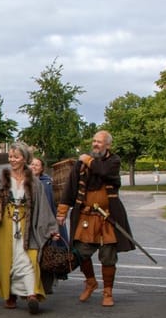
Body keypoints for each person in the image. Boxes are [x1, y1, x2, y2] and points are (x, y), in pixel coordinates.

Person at [0, 143, 59, 314]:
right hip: (4, 227)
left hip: (27, 226)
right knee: (7, 260)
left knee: (31, 258)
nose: (12, 160)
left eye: (16, 156)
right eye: (10, 157)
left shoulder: (34, 182)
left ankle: (32, 294)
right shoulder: (0, 178)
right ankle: (10, 295)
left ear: (25, 159)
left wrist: (52, 228)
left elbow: (44, 207)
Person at [56, 130, 134, 307]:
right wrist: (62, 211)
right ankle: (90, 282)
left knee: (108, 256)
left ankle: (108, 292)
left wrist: (88, 160)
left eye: (99, 142)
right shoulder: (81, 164)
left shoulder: (113, 161)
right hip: (86, 216)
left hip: (108, 217)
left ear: (108, 145)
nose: (95, 144)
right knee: (80, 253)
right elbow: (71, 187)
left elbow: (104, 171)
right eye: (94, 141)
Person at [30, 157, 70, 245]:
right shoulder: (25, 182)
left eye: (36, 165)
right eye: (32, 164)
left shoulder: (47, 184)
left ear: (41, 169)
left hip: (45, 220)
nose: (33, 167)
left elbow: (50, 206)